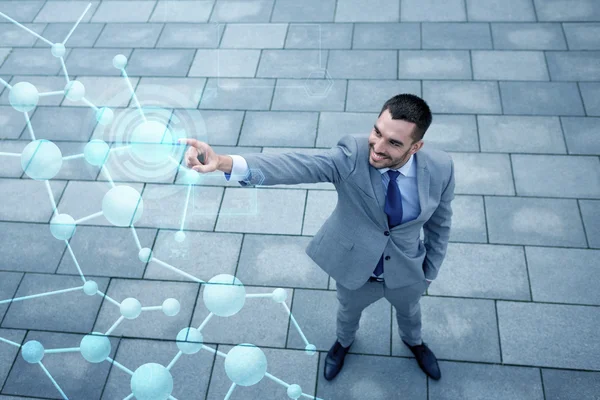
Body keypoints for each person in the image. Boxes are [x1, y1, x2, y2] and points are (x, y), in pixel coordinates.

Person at [181, 94, 455, 382]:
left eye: (394, 143)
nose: (377, 147)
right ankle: (343, 343)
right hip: (355, 268)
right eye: (377, 132)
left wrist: (429, 274)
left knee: (411, 313)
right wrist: (224, 162)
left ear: (416, 146)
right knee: (347, 313)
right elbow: (295, 165)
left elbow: (441, 224)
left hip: (408, 269)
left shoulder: (441, 167)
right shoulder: (351, 155)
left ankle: (414, 343)